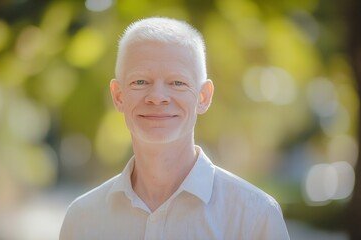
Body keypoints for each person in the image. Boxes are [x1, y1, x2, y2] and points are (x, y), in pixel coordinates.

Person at [60, 17, 290, 240]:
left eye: (177, 82)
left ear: (203, 96)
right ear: (118, 96)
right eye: (140, 82)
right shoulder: (81, 220)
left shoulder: (255, 218)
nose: (157, 97)